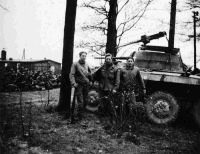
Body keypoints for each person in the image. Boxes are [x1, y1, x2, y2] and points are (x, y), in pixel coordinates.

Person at [92, 53, 120, 117]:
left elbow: (117, 81)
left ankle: (110, 117)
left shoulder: (116, 68)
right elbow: (96, 74)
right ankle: (101, 116)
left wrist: (115, 89)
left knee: (110, 103)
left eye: (109, 59)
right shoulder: (102, 67)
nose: (108, 60)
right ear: (105, 59)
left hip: (110, 88)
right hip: (102, 87)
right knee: (102, 102)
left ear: (111, 59)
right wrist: (95, 82)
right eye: (106, 59)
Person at [69, 51, 92, 120]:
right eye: (83, 56)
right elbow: (71, 75)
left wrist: (90, 80)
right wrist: (73, 83)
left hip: (86, 85)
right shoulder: (75, 64)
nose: (84, 57)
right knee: (80, 101)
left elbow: (90, 73)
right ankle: (80, 117)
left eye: (85, 56)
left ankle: (83, 114)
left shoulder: (87, 64)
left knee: (85, 100)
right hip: (79, 85)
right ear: (80, 56)